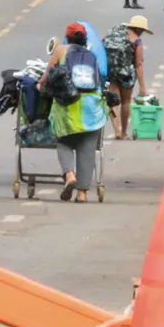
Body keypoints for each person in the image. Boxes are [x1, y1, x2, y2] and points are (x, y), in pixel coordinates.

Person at [37, 23, 107, 203]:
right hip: (92, 107)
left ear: (67, 38)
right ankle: (82, 193)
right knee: (87, 148)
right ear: (85, 40)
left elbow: (47, 76)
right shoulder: (91, 55)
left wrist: (39, 84)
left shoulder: (60, 51)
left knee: (64, 141)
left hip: (68, 105)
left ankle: (69, 175)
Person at [103, 15, 151, 139]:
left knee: (113, 102)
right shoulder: (136, 40)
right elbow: (139, 64)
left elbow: (101, 46)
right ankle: (124, 132)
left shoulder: (113, 34)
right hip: (127, 75)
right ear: (139, 29)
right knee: (125, 102)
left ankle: (116, 131)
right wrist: (142, 86)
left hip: (112, 72)